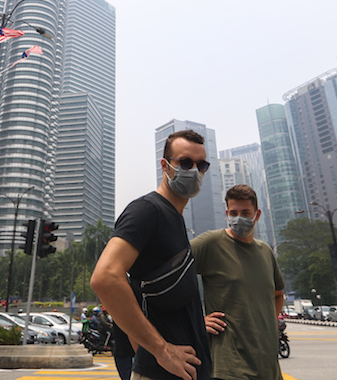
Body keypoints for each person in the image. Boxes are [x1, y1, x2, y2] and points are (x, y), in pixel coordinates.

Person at [91, 129, 212, 380]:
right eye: (186, 162)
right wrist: (161, 350)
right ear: (165, 166)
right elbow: (106, 277)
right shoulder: (147, 210)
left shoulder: (175, 219)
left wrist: (198, 322)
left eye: (202, 165)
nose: (194, 171)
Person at [190, 184, 284, 380]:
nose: (239, 218)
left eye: (245, 212)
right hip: (229, 367)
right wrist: (196, 322)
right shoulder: (211, 243)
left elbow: (277, 295)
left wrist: (264, 325)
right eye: (233, 213)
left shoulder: (265, 251)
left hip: (268, 365)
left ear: (257, 215)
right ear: (226, 213)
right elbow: (169, 273)